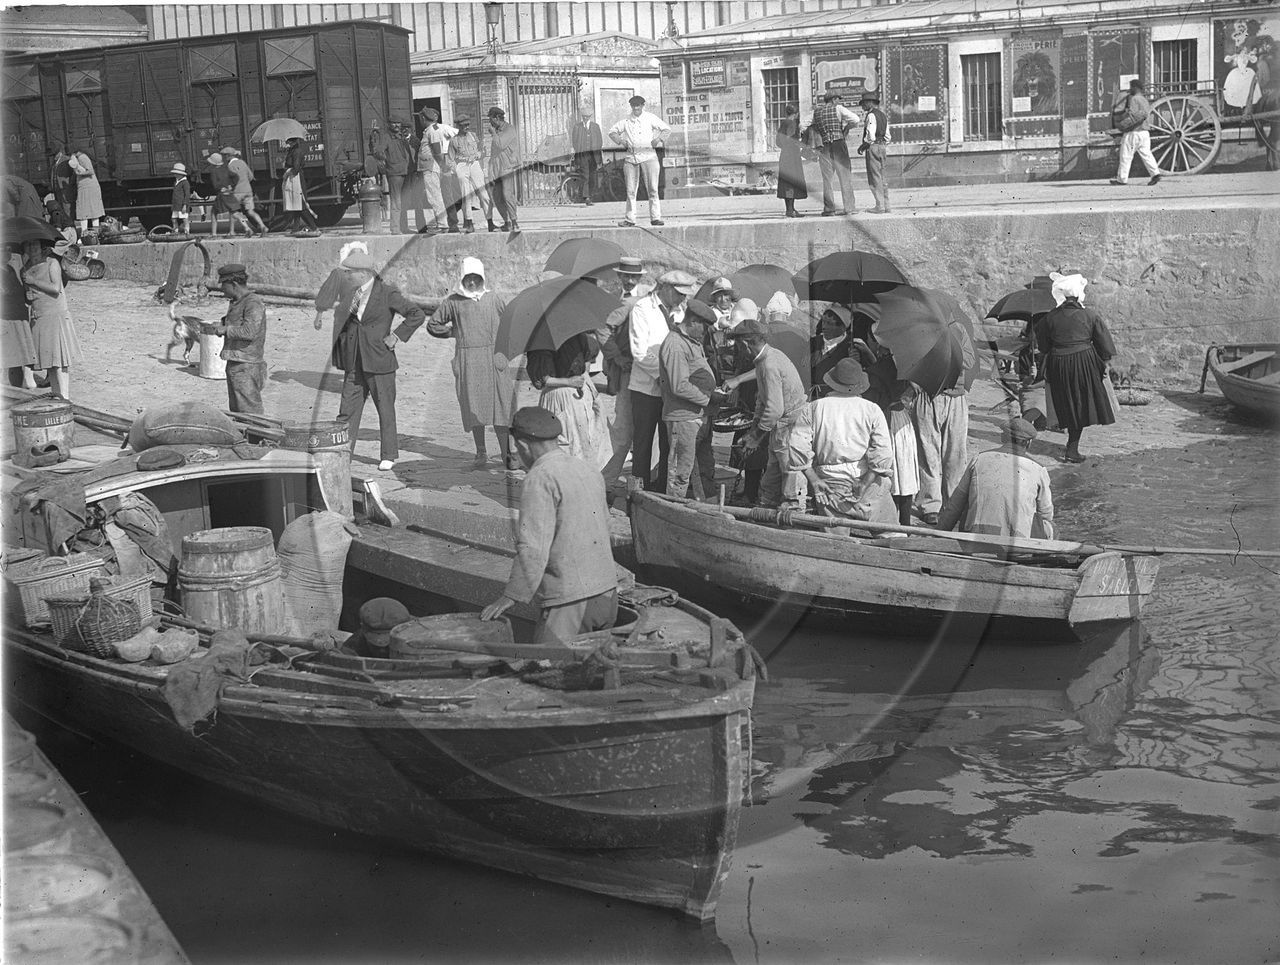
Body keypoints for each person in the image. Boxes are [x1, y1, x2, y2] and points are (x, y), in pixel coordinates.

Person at [480, 407, 619, 644]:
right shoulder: (588, 469)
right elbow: (606, 529)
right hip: (608, 595)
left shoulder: (540, 477)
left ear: (522, 446)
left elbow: (533, 547)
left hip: (572, 602)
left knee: (546, 668)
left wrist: (511, 595)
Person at [328, 249, 426, 471]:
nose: (346, 276)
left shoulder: (387, 293)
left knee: (385, 407)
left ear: (363, 273)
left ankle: (388, 454)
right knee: (347, 409)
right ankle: (344, 451)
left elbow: (416, 314)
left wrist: (397, 336)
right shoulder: (351, 293)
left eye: (349, 272)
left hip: (379, 359)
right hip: (354, 360)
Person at [428, 257, 516, 468]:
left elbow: (510, 324)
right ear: (462, 279)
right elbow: (433, 324)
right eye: (469, 278)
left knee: (501, 407)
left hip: (494, 359)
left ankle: (507, 455)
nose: (473, 282)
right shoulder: (453, 302)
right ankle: (481, 452)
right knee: (475, 407)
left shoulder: (493, 299)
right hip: (469, 361)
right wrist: (452, 332)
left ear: (483, 278)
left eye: (477, 278)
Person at [789, 358, 895, 522]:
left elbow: (797, 448)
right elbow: (883, 453)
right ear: (859, 384)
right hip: (869, 482)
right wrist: (864, 484)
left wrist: (815, 480)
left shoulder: (814, 408)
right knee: (891, 536)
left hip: (829, 486)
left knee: (836, 544)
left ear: (832, 383)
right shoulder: (872, 409)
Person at [728, 315, 808, 509]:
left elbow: (774, 409)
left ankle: (795, 519)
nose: (738, 351)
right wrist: (753, 430)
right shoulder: (767, 357)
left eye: (738, 346)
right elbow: (762, 401)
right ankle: (767, 507)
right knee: (772, 474)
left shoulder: (769, 364)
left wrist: (755, 437)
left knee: (791, 480)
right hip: (782, 427)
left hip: (790, 426)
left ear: (746, 344)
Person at [1036, 273, 1116, 463]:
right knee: (1080, 403)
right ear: (1079, 294)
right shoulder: (1090, 315)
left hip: (1058, 364)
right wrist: (1101, 363)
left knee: (1065, 402)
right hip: (1083, 362)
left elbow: (1044, 347)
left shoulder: (1049, 318)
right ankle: (1072, 448)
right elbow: (1104, 346)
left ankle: (1071, 446)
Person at [629, 269, 694, 492]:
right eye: (679, 293)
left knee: (669, 444)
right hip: (646, 388)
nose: (683, 298)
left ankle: (662, 491)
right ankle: (637, 492)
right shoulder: (642, 308)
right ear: (665, 289)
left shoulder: (681, 310)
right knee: (643, 444)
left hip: (670, 389)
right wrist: (664, 375)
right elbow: (639, 353)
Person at [938, 417, 1055, 539]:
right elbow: (1046, 514)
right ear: (1028, 443)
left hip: (974, 541)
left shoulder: (979, 459)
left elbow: (955, 505)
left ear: (1003, 438)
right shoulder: (1038, 469)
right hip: (1015, 546)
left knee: (969, 501)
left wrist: (938, 536)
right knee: (1050, 527)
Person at [910, 318, 976, 525]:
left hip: (956, 396)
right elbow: (909, 360)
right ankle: (930, 504)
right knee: (928, 452)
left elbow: (968, 361)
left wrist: (947, 347)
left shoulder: (959, 330)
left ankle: (952, 504)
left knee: (955, 453)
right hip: (928, 396)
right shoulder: (920, 329)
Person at [598, 257, 650, 500]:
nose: (629, 281)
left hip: (650, 371)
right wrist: (616, 357)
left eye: (634, 277)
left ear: (640, 278)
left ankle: (644, 480)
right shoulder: (613, 300)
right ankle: (607, 480)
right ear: (619, 277)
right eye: (626, 276)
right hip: (627, 372)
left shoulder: (648, 298)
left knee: (648, 429)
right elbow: (602, 328)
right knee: (624, 427)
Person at [659, 298, 720, 499]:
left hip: (699, 416)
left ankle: (707, 507)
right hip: (683, 417)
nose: (706, 333)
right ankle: (674, 509)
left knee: (703, 466)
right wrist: (708, 399)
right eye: (704, 327)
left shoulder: (692, 342)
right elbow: (679, 386)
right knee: (680, 470)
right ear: (692, 321)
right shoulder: (675, 344)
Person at [528, 331, 604, 466]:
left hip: (577, 396)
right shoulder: (541, 342)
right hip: (558, 396)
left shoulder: (578, 335)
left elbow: (586, 365)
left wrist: (585, 384)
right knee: (562, 442)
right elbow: (543, 380)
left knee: (580, 441)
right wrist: (569, 382)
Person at [22, 238, 81, 400]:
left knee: (60, 361)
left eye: (35, 244)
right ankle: (57, 397)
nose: (32, 247)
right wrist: (28, 295)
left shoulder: (51, 263)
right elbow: (30, 297)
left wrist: (34, 281)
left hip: (55, 316)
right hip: (38, 317)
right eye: (28, 244)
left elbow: (55, 288)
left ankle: (65, 397)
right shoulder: (25, 269)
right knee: (50, 363)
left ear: (42, 247)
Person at [209, 263, 267, 415]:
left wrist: (225, 330)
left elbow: (250, 331)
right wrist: (222, 323)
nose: (221, 289)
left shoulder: (252, 302)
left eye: (223, 284)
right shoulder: (238, 301)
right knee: (237, 411)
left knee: (250, 412)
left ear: (234, 284)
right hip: (236, 362)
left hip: (246, 365)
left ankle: (256, 438)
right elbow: (238, 321)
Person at [609, 95, 671, 227]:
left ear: (643, 105)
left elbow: (666, 129)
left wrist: (659, 139)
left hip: (649, 157)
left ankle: (655, 217)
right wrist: (621, 141)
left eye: (638, 105)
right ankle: (630, 219)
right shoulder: (626, 120)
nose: (636, 108)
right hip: (631, 159)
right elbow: (612, 131)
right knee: (631, 191)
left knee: (653, 189)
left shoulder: (650, 117)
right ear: (631, 106)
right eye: (633, 105)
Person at [807, 91, 860, 216]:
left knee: (827, 179)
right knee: (845, 176)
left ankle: (829, 209)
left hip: (824, 146)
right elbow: (856, 119)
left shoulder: (816, 112)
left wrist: (818, 132)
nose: (839, 101)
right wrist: (847, 128)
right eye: (838, 99)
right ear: (833, 99)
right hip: (838, 144)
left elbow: (802, 125)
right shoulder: (839, 109)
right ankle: (849, 208)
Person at [1110, 79, 1162, 187]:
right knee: (1146, 154)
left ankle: (1122, 179)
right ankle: (1155, 174)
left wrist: (1121, 123)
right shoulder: (1144, 100)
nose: (1130, 89)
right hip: (1145, 133)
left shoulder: (1134, 99)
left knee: (1125, 155)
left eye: (1131, 87)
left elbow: (1132, 116)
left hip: (1134, 132)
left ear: (1135, 87)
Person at [449, 115, 494, 233]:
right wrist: (455, 170)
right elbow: (450, 159)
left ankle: (490, 222)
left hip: (474, 164)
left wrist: (480, 154)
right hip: (462, 165)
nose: (466, 127)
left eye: (468, 125)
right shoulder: (454, 140)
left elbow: (482, 150)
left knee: (484, 194)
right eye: (464, 125)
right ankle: (469, 223)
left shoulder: (473, 136)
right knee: (466, 195)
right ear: (458, 126)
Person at [417, 109, 458, 234]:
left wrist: (442, 165)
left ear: (423, 118)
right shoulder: (432, 129)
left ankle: (442, 224)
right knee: (435, 195)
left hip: (430, 166)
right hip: (430, 166)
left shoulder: (432, 130)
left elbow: (437, 150)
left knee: (434, 196)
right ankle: (442, 223)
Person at [372, 121, 413, 233]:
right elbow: (379, 152)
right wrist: (389, 161)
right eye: (393, 123)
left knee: (404, 201)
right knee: (396, 202)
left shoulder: (402, 137)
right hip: (394, 173)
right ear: (389, 125)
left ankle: (404, 227)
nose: (396, 125)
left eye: (398, 123)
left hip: (405, 171)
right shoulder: (386, 138)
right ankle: (395, 228)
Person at [3, 255, 36, 389]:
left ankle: (18, 392)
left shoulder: (11, 268)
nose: (6, 252)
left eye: (8, 249)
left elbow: (21, 292)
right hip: (5, 319)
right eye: (3, 248)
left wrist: (27, 295)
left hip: (19, 317)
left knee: (18, 360)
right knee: (11, 360)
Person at [486, 107, 520, 233]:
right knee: (496, 196)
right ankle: (507, 223)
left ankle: (514, 222)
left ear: (497, 118)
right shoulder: (497, 130)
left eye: (491, 118)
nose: (490, 122)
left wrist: (493, 133)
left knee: (507, 194)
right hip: (496, 167)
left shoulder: (509, 129)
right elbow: (494, 152)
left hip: (507, 167)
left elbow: (500, 144)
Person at [856, 92, 892, 214]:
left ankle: (879, 205)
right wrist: (882, 145)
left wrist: (863, 145)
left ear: (870, 103)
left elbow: (870, 135)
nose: (863, 106)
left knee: (874, 177)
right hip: (882, 147)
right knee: (882, 176)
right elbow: (887, 136)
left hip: (873, 147)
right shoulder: (883, 115)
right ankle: (886, 205)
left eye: (864, 103)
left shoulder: (871, 116)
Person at [341, 597, 411, 658]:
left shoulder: (417, 641)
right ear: (363, 629)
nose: (382, 650)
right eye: (375, 647)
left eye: (388, 646)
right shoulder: (353, 646)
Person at [810, 305, 855, 398]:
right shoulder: (813, 342)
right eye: (823, 322)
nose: (824, 327)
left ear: (843, 327)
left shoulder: (851, 348)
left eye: (829, 323)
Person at [222, 147, 268, 237]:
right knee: (250, 211)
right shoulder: (243, 163)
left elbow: (230, 181)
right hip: (248, 191)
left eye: (225, 156)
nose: (224, 158)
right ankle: (263, 226)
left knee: (233, 212)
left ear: (228, 156)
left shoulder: (230, 166)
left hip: (237, 192)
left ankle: (236, 231)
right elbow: (251, 177)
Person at [281, 137, 320, 235]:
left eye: (288, 142)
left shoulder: (297, 151)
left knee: (301, 204)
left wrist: (287, 172)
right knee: (296, 204)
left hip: (296, 178)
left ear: (292, 142)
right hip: (293, 178)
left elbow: (296, 167)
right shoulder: (292, 151)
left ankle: (314, 227)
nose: (286, 144)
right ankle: (296, 228)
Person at [775, 103, 808, 218]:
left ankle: (790, 209)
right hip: (792, 155)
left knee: (786, 182)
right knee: (791, 182)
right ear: (796, 113)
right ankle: (790, 210)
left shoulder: (783, 123)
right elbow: (789, 139)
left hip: (784, 155)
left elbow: (778, 142)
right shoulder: (792, 123)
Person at [67, 144, 105, 236]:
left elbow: (91, 171)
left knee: (87, 210)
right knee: (90, 211)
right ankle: (91, 234)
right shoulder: (79, 158)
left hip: (88, 187)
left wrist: (79, 173)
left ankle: (88, 234)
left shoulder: (82, 158)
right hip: (86, 187)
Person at [569, 107, 604, 205]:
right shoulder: (577, 127)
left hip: (594, 156)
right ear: (582, 117)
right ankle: (586, 197)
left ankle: (590, 195)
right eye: (584, 116)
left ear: (590, 117)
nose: (585, 118)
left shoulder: (595, 127)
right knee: (585, 176)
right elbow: (574, 142)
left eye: (587, 117)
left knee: (592, 176)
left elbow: (600, 141)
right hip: (583, 156)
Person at [204, 153, 237, 237]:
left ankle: (214, 233)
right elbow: (236, 177)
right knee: (231, 211)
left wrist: (222, 187)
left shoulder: (214, 171)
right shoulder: (226, 169)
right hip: (229, 192)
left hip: (221, 194)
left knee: (213, 212)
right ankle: (232, 231)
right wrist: (230, 186)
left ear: (213, 163)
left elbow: (215, 185)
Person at [51, 148, 76, 224]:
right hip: (58, 189)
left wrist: (69, 185)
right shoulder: (55, 162)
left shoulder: (67, 160)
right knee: (61, 208)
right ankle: (66, 225)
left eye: (54, 155)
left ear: (59, 153)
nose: (53, 157)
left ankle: (70, 226)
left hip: (66, 189)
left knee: (67, 208)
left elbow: (73, 174)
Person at [170, 163, 192, 234]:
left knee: (185, 219)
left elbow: (187, 194)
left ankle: (187, 231)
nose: (175, 175)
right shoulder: (176, 182)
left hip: (182, 205)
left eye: (177, 173)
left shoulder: (185, 183)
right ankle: (175, 231)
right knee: (173, 219)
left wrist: (185, 205)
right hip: (176, 205)